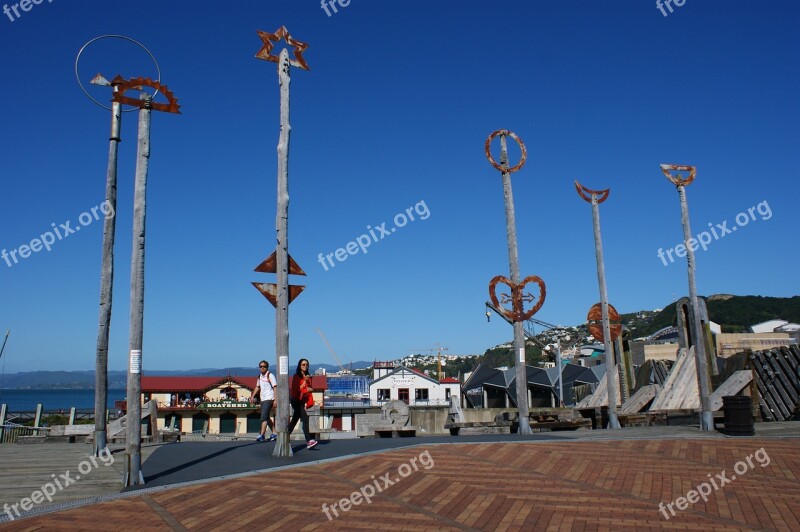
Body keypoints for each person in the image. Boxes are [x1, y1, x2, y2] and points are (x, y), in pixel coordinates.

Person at [288, 358, 317, 449]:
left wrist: (310, 389)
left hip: (303, 400)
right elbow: (296, 389)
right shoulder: (296, 376)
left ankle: (285, 436)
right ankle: (309, 441)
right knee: (305, 418)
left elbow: (311, 388)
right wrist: (304, 382)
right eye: (303, 364)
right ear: (299, 366)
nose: (305, 366)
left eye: (306, 365)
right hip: (296, 400)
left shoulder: (308, 376)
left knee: (295, 419)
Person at [251, 360, 278, 442]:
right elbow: (257, 387)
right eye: (261, 366)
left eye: (264, 366)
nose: (262, 368)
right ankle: (274, 433)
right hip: (262, 399)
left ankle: (262, 435)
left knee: (263, 418)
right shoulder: (259, 376)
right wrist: (253, 396)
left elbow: (275, 387)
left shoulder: (270, 375)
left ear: (267, 367)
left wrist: (275, 400)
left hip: (269, 398)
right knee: (266, 417)